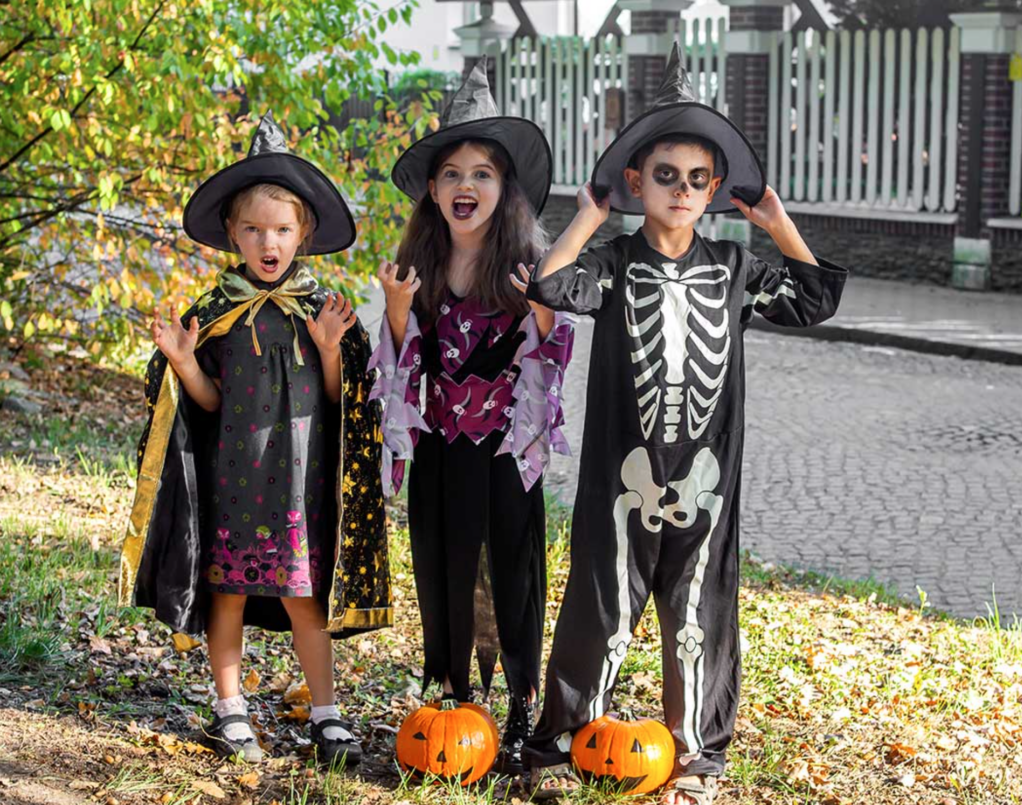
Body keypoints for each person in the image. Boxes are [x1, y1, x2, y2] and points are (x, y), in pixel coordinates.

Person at [523, 45, 848, 804]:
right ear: (638, 183)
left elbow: (816, 297)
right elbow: (547, 282)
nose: (683, 190)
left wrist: (775, 219)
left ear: (714, 190)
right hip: (621, 477)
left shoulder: (735, 270)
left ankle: (696, 758)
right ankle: (561, 743)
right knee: (601, 603)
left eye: (699, 179)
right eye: (666, 175)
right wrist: (589, 214)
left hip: (704, 479)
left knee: (699, 612)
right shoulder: (612, 263)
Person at [118, 112, 391, 765]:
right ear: (232, 234)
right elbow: (209, 403)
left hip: (299, 489)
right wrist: (184, 361)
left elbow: (340, 400)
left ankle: (326, 712)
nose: (268, 241)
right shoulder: (218, 315)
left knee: (304, 597)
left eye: (282, 228)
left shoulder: (321, 312)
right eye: (254, 228)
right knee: (229, 593)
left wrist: (330, 350)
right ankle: (230, 707)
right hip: (237, 484)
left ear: (304, 233)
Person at [370, 59, 573, 774]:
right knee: (445, 564)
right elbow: (396, 371)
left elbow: (555, 361)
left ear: (504, 188)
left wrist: (545, 316)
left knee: (510, 571)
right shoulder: (417, 262)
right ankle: (453, 691)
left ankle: (518, 702)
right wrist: (397, 316)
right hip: (442, 448)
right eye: (452, 172)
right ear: (432, 189)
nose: (466, 185)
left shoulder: (527, 264)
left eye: (482, 173)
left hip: (505, 452)